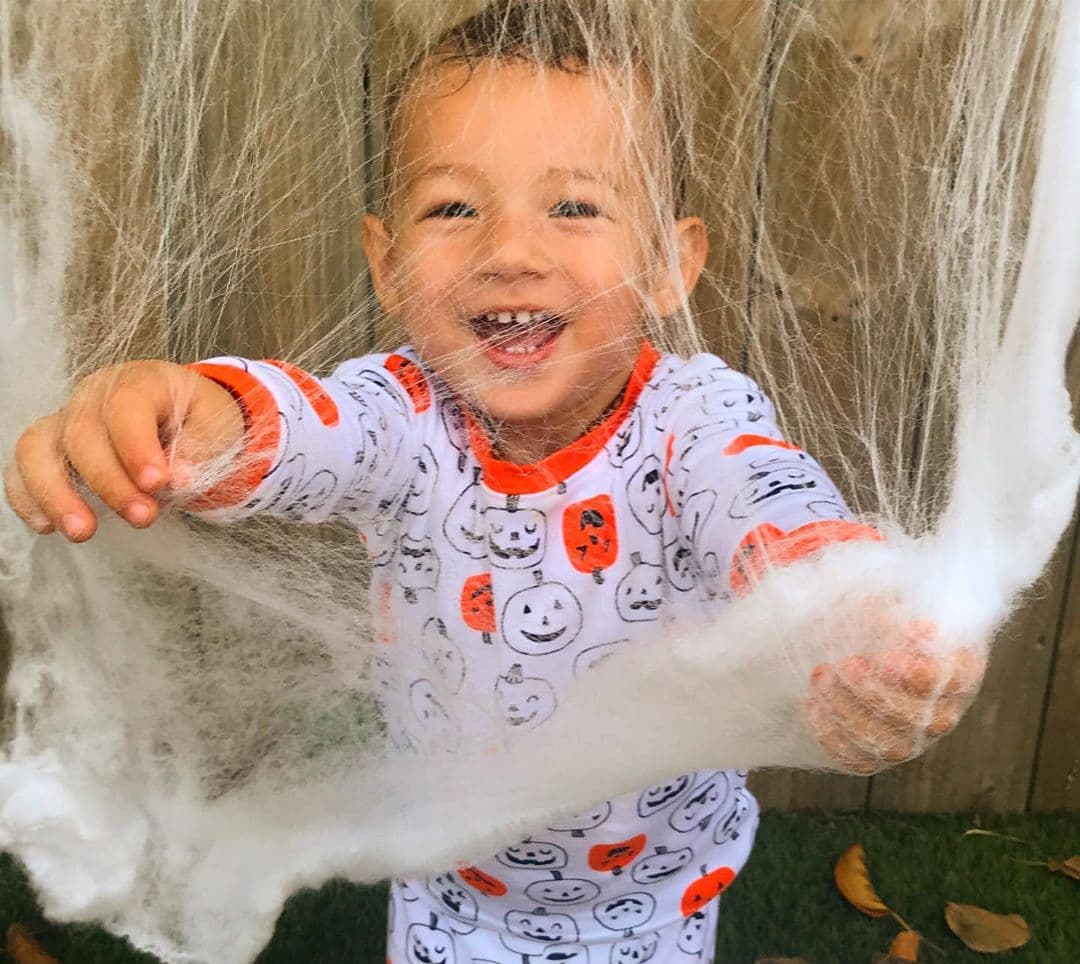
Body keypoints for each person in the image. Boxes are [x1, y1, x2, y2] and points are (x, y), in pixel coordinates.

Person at [2, 2, 983, 959]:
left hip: (654, 896)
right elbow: (303, 429)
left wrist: (856, 617)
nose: (510, 251)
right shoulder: (404, 413)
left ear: (670, 265)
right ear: (386, 265)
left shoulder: (694, 424)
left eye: (575, 206)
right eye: (454, 207)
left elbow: (765, 502)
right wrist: (179, 416)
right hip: (445, 885)